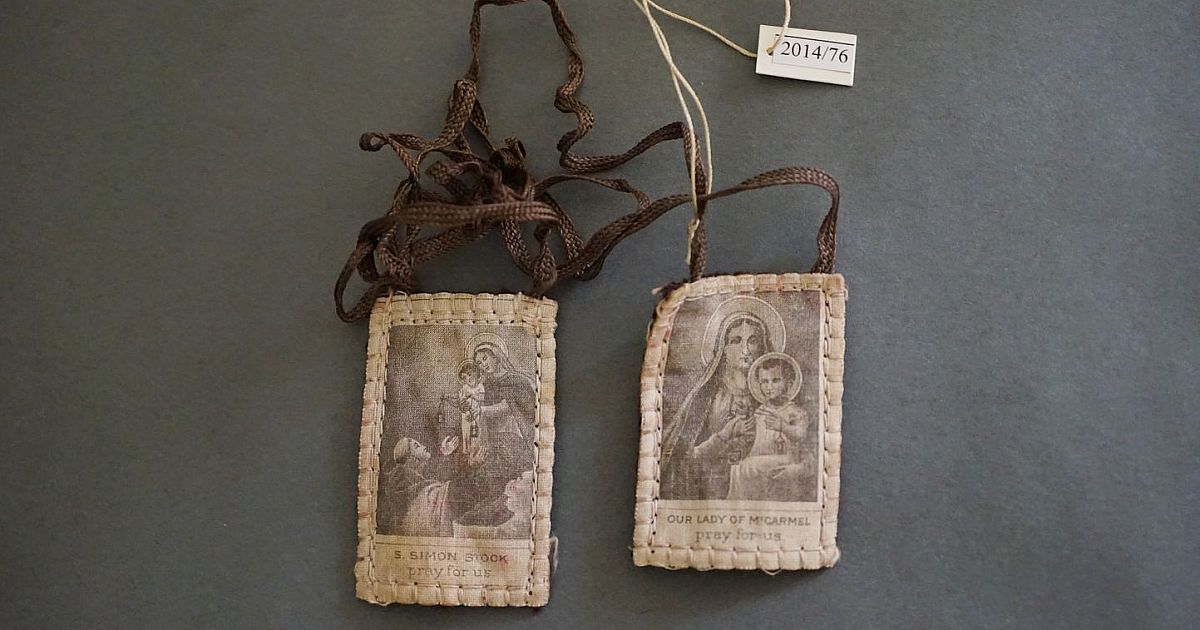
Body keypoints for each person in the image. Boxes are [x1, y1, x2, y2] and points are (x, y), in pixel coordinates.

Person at [661, 300, 783, 500]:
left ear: (763, 346)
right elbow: (685, 456)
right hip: (710, 487)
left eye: (753, 341)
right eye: (736, 340)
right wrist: (724, 436)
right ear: (723, 348)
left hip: (759, 488)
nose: (746, 349)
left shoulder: (773, 396)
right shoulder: (707, 396)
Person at [726, 353, 813, 500]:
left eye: (775, 380)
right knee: (737, 466)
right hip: (760, 460)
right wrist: (745, 417)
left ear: (789, 384)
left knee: (749, 466)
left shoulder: (794, 412)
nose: (769, 387)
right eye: (764, 382)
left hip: (785, 459)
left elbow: (801, 434)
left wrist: (783, 426)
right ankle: (737, 503)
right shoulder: (760, 412)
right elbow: (752, 438)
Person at [376, 436, 464, 537]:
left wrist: (445, 453)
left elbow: (440, 479)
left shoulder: (418, 477)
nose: (424, 446)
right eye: (417, 446)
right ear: (410, 458)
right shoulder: (406, 480)